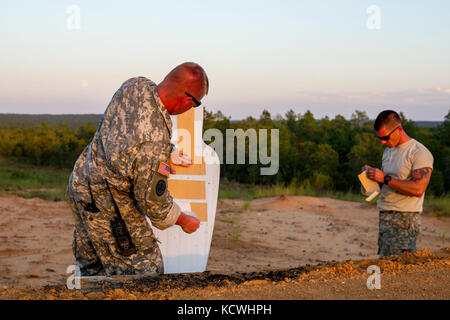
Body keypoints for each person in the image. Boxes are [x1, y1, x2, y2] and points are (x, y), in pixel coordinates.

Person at [67, 62, 209, 276]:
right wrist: (183, 220)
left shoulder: (136, 85)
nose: (192, 108)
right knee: (145, 272)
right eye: (196, 104)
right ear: (186, 99)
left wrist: (167, 152)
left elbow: (125, 132)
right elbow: (154, 205)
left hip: (81, 181)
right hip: (106, 203)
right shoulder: (153, 144)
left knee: (93, 269)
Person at [363, 110, 434, 258]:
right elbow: (384, 185)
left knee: (398, 271)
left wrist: (385, 179)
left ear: (399, 130)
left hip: (404, 221)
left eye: (385, 137)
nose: (383, 141)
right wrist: (372, 177)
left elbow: (418, 189)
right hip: (385, 218)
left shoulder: (419, 152)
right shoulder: (389, 151)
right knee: (385, 265)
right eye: (379, 138)